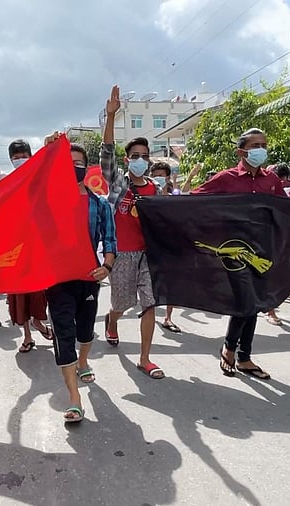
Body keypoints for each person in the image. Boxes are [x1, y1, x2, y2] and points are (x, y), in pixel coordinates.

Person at [191, 128, 285, 380]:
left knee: (253, 302)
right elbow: (194, 201)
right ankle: (231, 349)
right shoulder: (225, 178)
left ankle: (244, 357)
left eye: (264, 144)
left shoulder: (271, 180)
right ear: (241, 151)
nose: (261, 150)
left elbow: (286, 210)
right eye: (255, 145)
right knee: (246, 300)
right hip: (233, 250)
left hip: (262, 250)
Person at [43, 136, 117, 423]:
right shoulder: (47, 201)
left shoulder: (100, 205)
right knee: (63, 333)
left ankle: (84, 359)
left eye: (78, 164)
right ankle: (74, 398)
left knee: (84, 331)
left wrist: (107, 267)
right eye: (66, 163)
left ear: (87, 169)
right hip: (57, 279)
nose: (73, 168)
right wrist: (50, 152)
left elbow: (109, 240)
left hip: (88, 277)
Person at [0, 109, 53, 350]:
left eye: (24, 155)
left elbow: (52, 161)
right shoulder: (4, 179)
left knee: (39, 289)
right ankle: (27, 335)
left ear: (30, 156)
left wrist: (50, 145)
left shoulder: (40, 177)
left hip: (38, 244)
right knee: (18, 294)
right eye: (16, 156)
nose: (20, 159)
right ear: (11, 159)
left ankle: (39, 321)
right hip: (14, 245)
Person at [102, 85, 165, 379]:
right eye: (134, 155)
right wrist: (111, 116)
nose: (140, 159)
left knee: (149, 303)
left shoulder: (158, 189)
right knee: (122, 304)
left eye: (144, 155)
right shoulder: (118, 185)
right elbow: (106, 157)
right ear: (127, 160)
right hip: (122, 255)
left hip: (148, 256)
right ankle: (112, 320)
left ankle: (145, 358)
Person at [150, 161, 182, 334]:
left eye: (162, 175)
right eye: (156, 175)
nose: (159, 178)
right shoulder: (147, 194)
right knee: (152, 282)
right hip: (151, 245)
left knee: (171, 283)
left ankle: (168, 317)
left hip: (170, 245)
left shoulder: (173, 194)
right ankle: (150, 311)